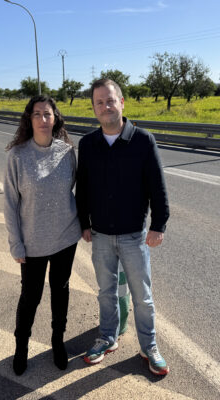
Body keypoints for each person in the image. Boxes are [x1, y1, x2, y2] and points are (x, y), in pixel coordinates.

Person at [76, 79, 170, 376]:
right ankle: (108, 337)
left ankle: (149, 346)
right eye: (99, 102)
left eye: (110, 100)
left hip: (133, 236)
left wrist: (158, 224)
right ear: (94, 108)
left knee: (142, 296)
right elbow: (83, 188)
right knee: (106, 292)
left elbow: (157, 186)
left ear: (122, 102)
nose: (105, 106)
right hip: (101, 235)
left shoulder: (142, 140)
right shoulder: (87, 144)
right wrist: (84, 223)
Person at [3, 95, 82, 376]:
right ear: (29, 119)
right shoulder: (18, 156)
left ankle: (58, 341)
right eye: (37, 114)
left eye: (47, 114)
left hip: (65, 238)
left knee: (60, 292)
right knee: (30, 297)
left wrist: (84, 224)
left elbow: (75, 190)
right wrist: (15, 243)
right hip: (32, 242)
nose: (43, 119)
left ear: (55, 118)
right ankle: (21, 347)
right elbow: (10, 203)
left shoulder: (67, 151)